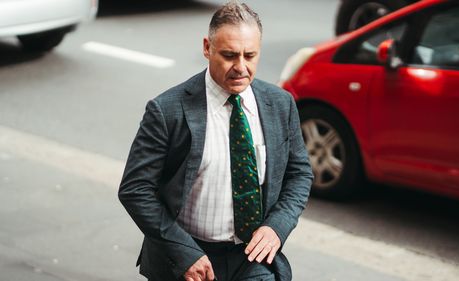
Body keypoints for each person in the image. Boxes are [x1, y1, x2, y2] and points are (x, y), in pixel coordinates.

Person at [118, 2, 313, 281]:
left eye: (250, 55)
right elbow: (135, 190)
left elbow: (300, 173)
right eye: (230, 55)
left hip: (251, 257)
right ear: (207, 47)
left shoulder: (280, 104)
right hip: (188, 256)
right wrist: (184, 251)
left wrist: (277, 226)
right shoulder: (166, 110)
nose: (241, 67)